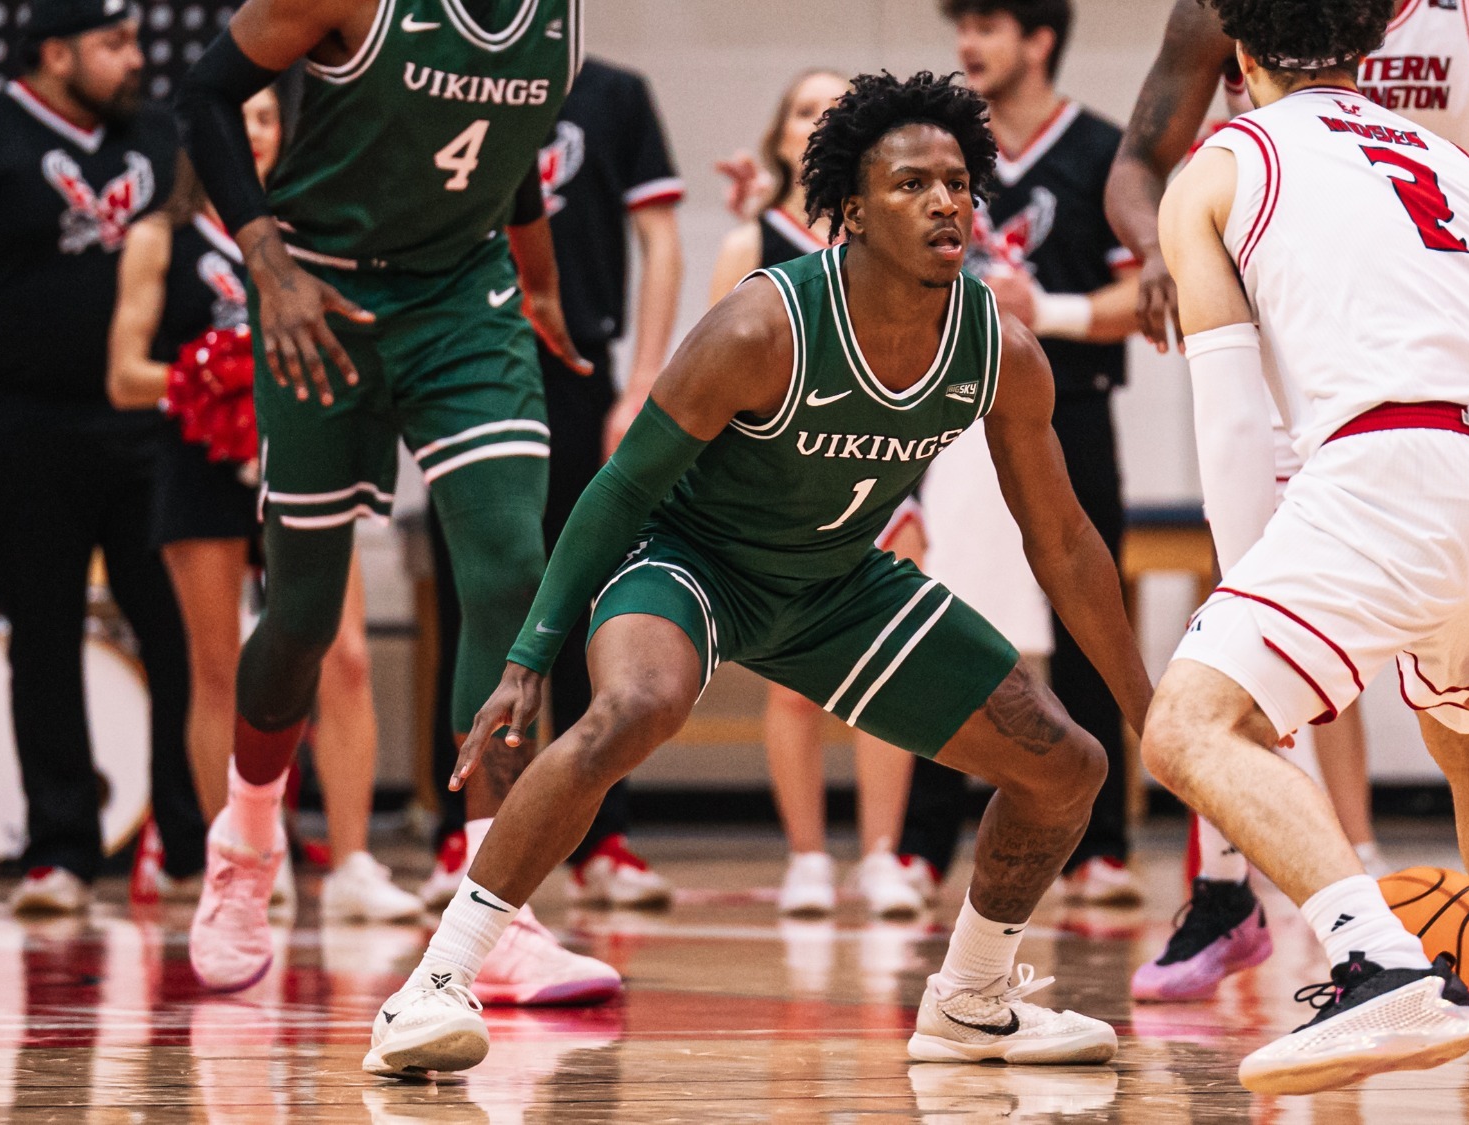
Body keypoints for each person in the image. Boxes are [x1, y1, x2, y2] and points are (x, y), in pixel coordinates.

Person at [365, 71, 1152, 1079]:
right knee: (636, 706)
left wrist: (1145, 708)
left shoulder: (999, 347)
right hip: (687, 560)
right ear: (853, 210)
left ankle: (970, 1001)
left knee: (1066, 766)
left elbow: (1065, 541)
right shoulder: (762, 326)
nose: (945, 201)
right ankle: (432, 983)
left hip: (833, 583)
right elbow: (615, 490)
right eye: (912, 183)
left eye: (957, 181)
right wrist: (528, 657)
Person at [1146, 0, 1469, 1101]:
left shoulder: (1220, 164)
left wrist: (1244, 615)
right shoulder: (1454, 166)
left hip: (1388, 477)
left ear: (1239, 56)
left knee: (1189, 727)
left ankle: (1379, 959)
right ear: (1366, 48)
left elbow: (1232, 422)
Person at [173, 0, 620, 1002]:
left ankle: (491, 907)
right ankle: (246, 841)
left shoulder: (560, 19)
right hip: (321, 296)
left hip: (465, 302)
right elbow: (202, 95)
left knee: (510, 570)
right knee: (298, 614)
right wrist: (267, 262)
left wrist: (539, 284)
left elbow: (500, 156)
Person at [0, 0, 205, 913]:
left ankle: (188, 844)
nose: (135, 59)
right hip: (25, 426)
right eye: (114, 44)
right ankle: (59, 850)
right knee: (43, 635)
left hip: (158, 427)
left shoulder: (161, 135)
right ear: (55, 52)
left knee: (183, 639)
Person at [105, 88, 419, 921]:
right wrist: (218, 382)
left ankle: (351, 861)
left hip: (306, 456)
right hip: (201, 462)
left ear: (288, 132)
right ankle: (239, 860)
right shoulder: (157, 237)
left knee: (343, 655)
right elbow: (123, 372)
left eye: (267, 117)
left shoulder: (318, 234)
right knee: (216, 670)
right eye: (237, 116)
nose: (253, 130)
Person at [895, 0, 1146, 911]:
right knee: (941, 619)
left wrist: (1052, 311)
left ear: (1038, 40)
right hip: (949, 413)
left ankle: (1103, 847)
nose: (967, 45)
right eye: (961, 27)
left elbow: (1147, 296)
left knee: (1087, 615)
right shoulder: (939, 152)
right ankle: (922, 844)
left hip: (1069, 406)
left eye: (987, 26)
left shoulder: (1105, 152)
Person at [421, 55, 684, 913]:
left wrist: (644, 380)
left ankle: (602, 835)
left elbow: (659, 235)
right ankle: (459, 837)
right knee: (475, 601)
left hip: (579, 370)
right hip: (463, 364)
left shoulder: (616, 92)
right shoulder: (438, 79)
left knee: (597, 600)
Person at [707, 68, 929, 920]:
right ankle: (806, 856)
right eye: (803, 106)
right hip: (781, 489)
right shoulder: (748, 244)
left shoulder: (893, 242)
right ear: (779, 134)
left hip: (885, 481)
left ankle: (880, 854)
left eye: (834, 109)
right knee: (793, 678)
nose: (818, 120)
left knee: (888, 674)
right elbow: (712, 377)